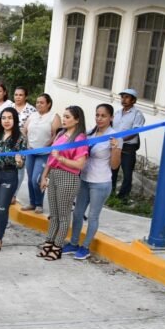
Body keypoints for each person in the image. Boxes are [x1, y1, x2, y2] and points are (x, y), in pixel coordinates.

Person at [63, 104, 122, 260]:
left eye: (103, 116)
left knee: (93, 216)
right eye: (97, 115)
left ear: (111, 118)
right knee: (77, 213)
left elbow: (115, 165)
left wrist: (116, 149)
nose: (99, 118)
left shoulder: (114, 136)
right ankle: (73, 243)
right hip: (84, 179)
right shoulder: (89, 133)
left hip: (101, 182)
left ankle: (85, 247)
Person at [39, 106, 89, 261]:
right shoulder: (60, 134)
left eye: (67, 117)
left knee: (63, 215)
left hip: (69, 177)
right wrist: (44, 176)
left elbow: (80, 165)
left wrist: (61, 158)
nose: (64, 119)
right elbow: (50, 158)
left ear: (77, 119)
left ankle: (57, 246)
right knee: (53, 214)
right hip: (54, 174)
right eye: (63, 116)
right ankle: (49, 242)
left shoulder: (80, 139)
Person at [0, 108, 27, 253]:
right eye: (4, 118)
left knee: (2, 209)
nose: (6, 121)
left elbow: (22, 163)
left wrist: (19, 161)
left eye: (10, 118)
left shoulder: (20, 138)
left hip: (8, 174)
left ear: (15, 120)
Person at [22, 93, 61, 213]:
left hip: (44, 153)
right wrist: (27, 143)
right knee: (30, 179)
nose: (39, 104)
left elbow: (57, 134)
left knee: (37, 179)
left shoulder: (53, 116)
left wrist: (47, 145)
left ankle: (39, 203)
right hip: (31, 151)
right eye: (37, 102)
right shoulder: (33, 115)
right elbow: (24, 130)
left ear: (48, 104)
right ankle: (32, 202)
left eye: (42, 102)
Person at [112, 88, 145, 200]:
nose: (124, 99)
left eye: (127, 97)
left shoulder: (137, 114)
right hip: (115, 145)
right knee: (113, 170)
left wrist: (120, 139)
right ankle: (110, 194)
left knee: (127, 173)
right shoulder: (117, 113)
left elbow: (134, 132)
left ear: (133, 100)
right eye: (123, 97)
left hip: (128, 147)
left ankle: (122, 197)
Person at [11, 87, 37, 204]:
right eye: (16, 94)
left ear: (25, 96)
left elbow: (32, 128)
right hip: (8, 142)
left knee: (19, 169)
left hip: (22, 144)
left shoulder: (32, 110)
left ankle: (14, 194)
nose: (18, 97)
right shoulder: (9, 107)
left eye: (20, 95)